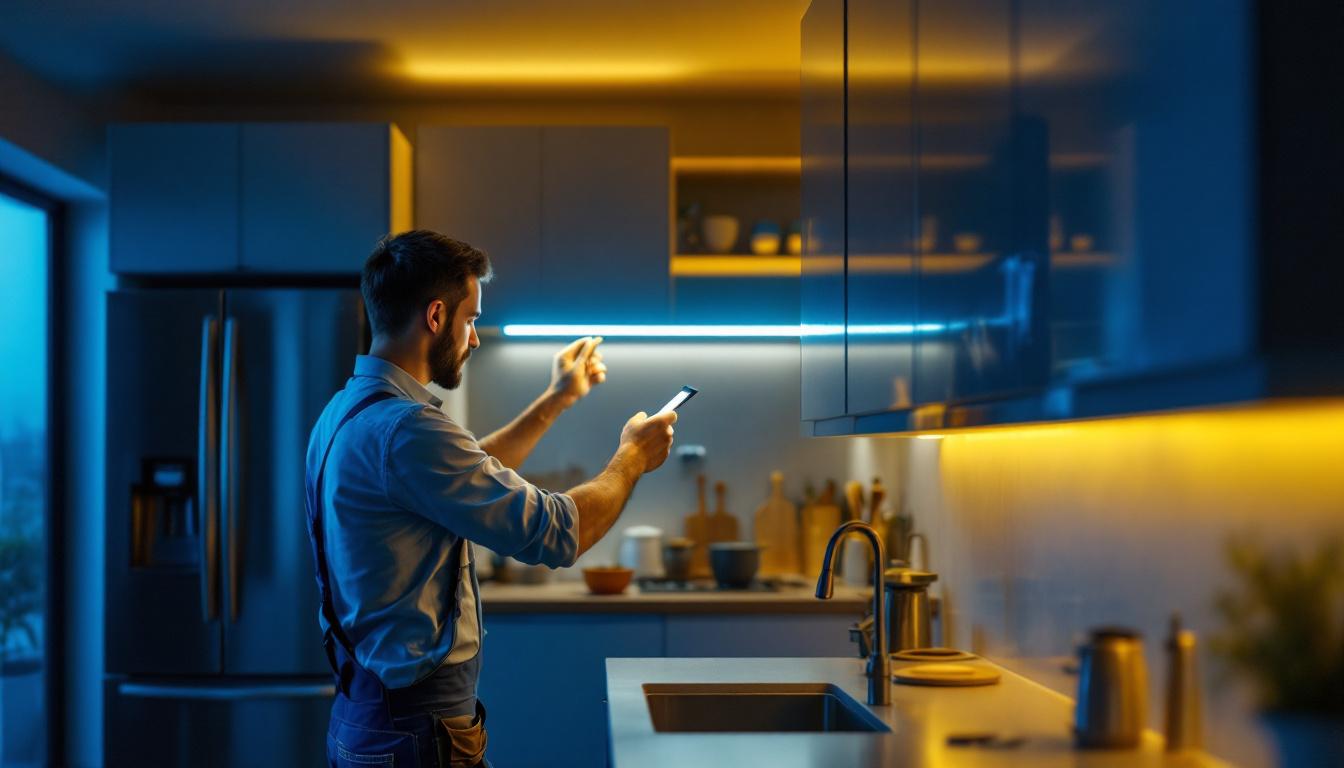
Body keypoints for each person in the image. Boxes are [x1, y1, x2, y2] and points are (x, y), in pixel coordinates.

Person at [304, 229, 676, 767]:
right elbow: (555, 532)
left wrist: (556, 399)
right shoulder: (408, 428)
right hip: (415, 733)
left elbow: (461, 473)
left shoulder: (345, 414)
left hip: (367, 719)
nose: (474, 338)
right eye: (471, 319)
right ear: (435, 317)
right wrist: (632, 459)